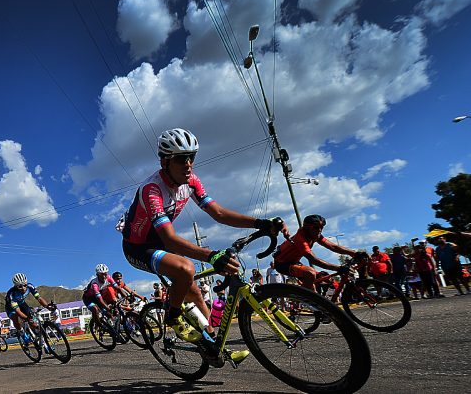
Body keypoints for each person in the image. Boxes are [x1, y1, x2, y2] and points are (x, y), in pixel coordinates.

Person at [118, 128, 288, 365]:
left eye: (191, 157)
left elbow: (218, 213)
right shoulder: (152, 190)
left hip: (160, 243)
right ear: (165, 162)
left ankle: (216, 347)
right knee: (186, 269)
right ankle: (173, 316)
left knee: (196, 291)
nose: (188, 164)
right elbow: (170, 239)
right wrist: (211, 255)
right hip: (138, 247)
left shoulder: (191, 181)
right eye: (181, 159)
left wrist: (261, 223)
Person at [274, 214, 356, 292]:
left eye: (321, 227)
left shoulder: (315, 234)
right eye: (316, 228)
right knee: (310, 273)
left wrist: (353, 253)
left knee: (315, 284)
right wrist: (339, 268)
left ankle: (315, 303)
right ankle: (299, 298)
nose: (319, 230)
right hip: (281, 264)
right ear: (307, 228)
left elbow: (333, 246)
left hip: (294, 262)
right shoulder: (300, 238)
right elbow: (314, 260)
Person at [5, 273, 55, 343]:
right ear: (15, 286)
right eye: (20, 286)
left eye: (25, 285)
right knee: (16, 319)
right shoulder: (11, 294)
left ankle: (37, 337)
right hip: (11, 308)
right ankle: (21, 332)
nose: (23, 288)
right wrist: (27, 318)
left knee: (33, 322)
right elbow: (18, 311)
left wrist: (47, 306)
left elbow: (39, 298)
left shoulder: (30, 286)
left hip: (22, 304)